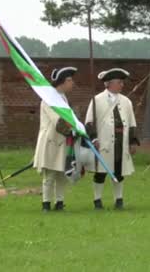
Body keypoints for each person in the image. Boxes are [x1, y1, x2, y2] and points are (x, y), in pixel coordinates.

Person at [85, 68, 140, 210]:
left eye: (122, 82)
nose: (122, 85)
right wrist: (94, 139)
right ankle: (97, 200)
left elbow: (132, 123)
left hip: (121, 141)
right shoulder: (96, 100)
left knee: (119, 171)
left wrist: (132, 141)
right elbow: (89, 122)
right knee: (100, 172)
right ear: (108, 84)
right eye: (119, 82)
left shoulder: (126, 101)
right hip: (103, 142)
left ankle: (119, 199)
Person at [33, 67, 77, 212]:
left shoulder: (63, 97)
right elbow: (58, 121)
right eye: (69, 80)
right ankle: (46, 203)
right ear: (61, 82)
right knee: (49, 174)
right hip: (51, 140)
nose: (72, 83)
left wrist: (76, 129)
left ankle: (59, 202)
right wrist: (74, 129)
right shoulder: (48, 99)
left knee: (62, 174)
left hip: (62, 140)